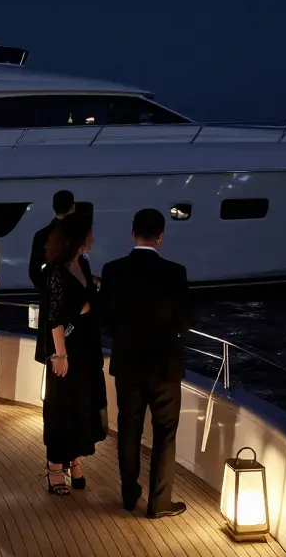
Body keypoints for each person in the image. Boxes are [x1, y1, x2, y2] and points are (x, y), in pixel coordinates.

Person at [99, 208, 192, 518]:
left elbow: (106, 318)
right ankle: (159, 502)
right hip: (164, 366)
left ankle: (129, 494)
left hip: (128, 363)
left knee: (129, 429)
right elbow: (185, 321)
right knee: (164, 434)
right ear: (161, 237)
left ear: (132, 233)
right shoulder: (175, 272)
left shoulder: (113, 271)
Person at [37, 212, 107, 496]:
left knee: (81, 405)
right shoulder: (56, 271)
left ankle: (75, 459)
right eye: (90, 233)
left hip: (86, 347)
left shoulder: (82, 263)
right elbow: (55, 316)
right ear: (78, 237)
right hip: (68, 349)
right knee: (61, 405)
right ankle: (55, 466)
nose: (93, 237)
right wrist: (60, 355)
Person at [28, 190, 75, 293]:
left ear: (54, 208)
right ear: (73, 207)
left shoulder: (41, 235)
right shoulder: (75, 234)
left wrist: (46, 291)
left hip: (49, 293)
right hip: (71, 293)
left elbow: (33, 272)